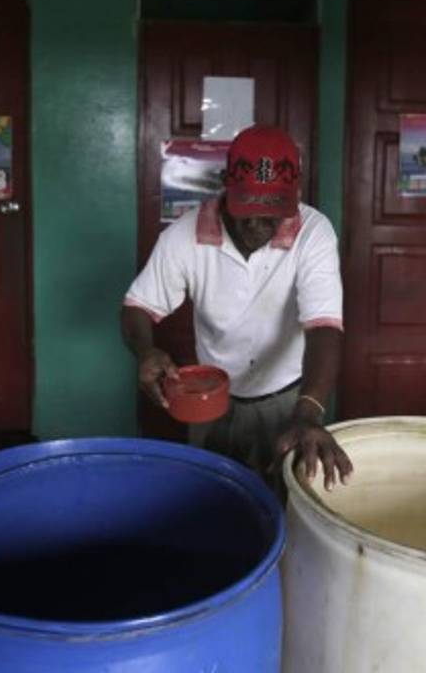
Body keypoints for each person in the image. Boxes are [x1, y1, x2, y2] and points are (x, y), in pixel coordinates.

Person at [121, 124, 353, 490]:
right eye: (248, 211)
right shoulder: (183, 235)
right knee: (209, 498)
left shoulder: (313, 232)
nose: (259, 225)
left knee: (285, 502)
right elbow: (138, 306)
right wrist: (145, 350)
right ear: (227, 187)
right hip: (212, 400)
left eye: (273, 212)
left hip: (289, 397)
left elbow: (324, 325)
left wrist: (308, 412)